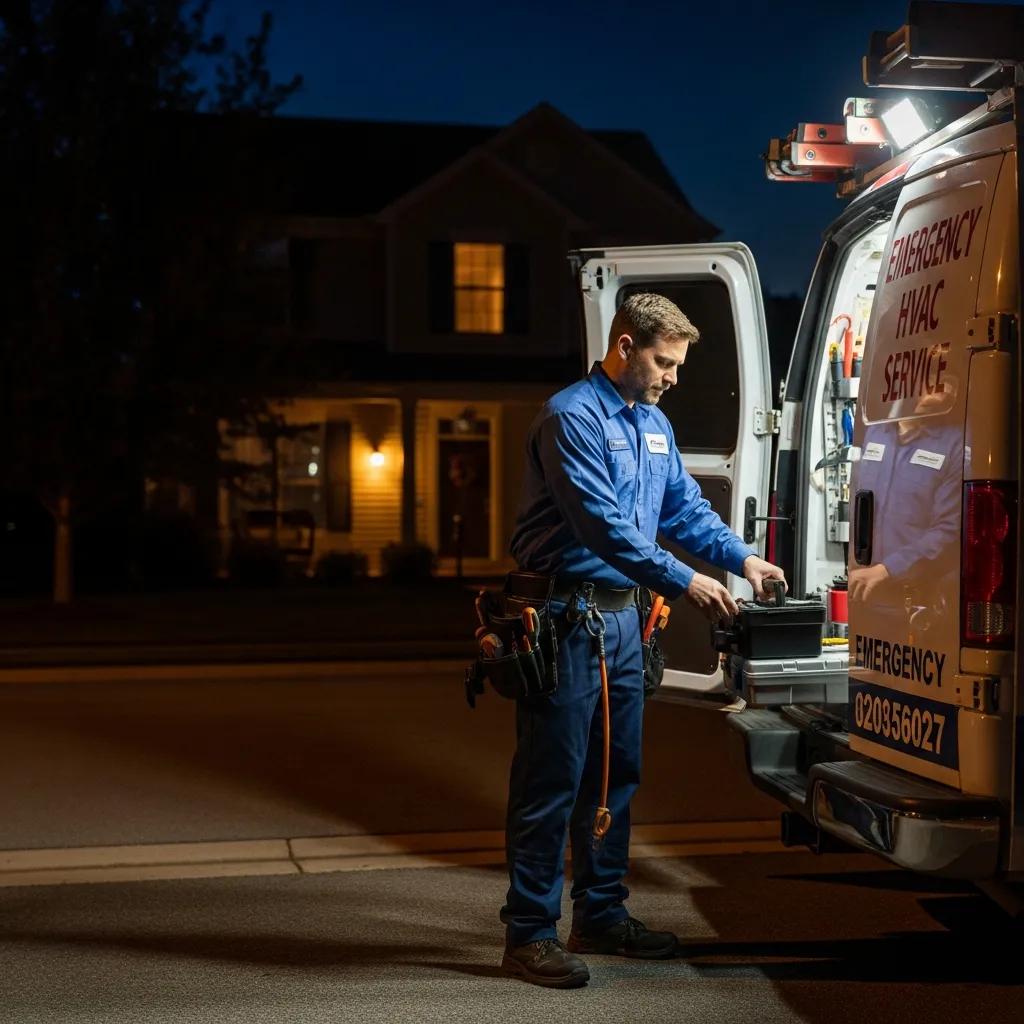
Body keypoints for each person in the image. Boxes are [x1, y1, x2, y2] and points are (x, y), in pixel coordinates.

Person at [500, 292, 786, 988]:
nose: (673, 377)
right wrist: (685, 580)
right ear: (624, 347)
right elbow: (601, 524)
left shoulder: (651, 424)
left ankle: (599, 914)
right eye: (664, 362)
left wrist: (741, 558)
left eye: (679, 365)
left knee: (613, 774)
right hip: (566, 619)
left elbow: (683, 507)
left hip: (623, 622)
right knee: (552, 780)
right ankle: (529, 933)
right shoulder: (572, 417)